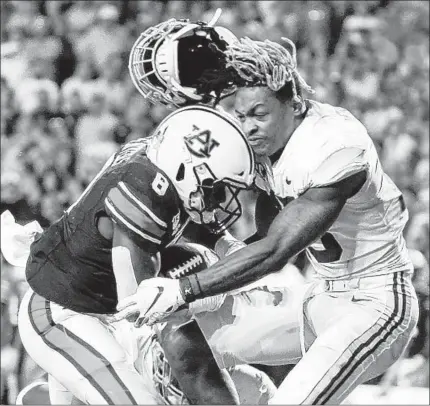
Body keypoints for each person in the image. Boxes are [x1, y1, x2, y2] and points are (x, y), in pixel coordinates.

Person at [119, 36, 420, 404]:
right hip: (319, 297)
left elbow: (276, 249)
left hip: (375, 304)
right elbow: (266, 228)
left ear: (294, 103)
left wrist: (186, 289)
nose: (248, 127)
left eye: (260, 115)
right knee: (193, 343)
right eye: (241, 115)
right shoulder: (267, 142)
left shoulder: (335, 145)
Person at [16, 104, 255, 405]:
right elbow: (139, 303)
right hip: (63, 312)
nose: (220, 199)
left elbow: (186, 220)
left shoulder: (160, 170)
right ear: (185, 170)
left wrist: (227, 246)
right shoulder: (142, 191)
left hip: (98, 311)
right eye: (215, 188)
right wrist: (207, 292)